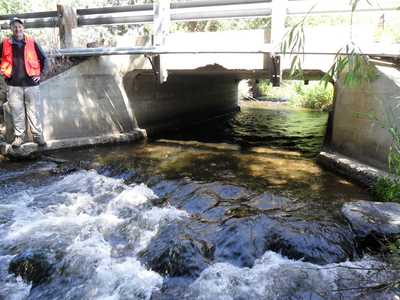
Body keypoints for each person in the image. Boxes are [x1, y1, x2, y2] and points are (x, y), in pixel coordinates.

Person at [0, 17, 48, 147]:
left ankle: (38, 136)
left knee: (34, 111)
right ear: (11, 28)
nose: (17, 29)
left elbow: (44, 59)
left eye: (19, 26)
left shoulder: (31, 42)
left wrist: (41, 75)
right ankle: (19, 137)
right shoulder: (4, 43)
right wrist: (4, 74)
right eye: (14, 26)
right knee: (17, 112)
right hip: (13, 84)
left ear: (23, 28)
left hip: (31, 84)